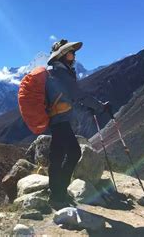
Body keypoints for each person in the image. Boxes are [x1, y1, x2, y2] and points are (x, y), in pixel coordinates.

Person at [45, 39, 109, 209]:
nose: (74, 56)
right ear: (63, 56)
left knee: (57, 156)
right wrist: (99, 107)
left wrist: (87, 108)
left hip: (57, 120)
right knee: (72, 153)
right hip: (61, 121)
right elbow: (78, 94)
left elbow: (69, 97)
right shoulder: (61, 73)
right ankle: (59, 193)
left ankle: (56, 194)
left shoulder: (57, 72)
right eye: (71, 53)